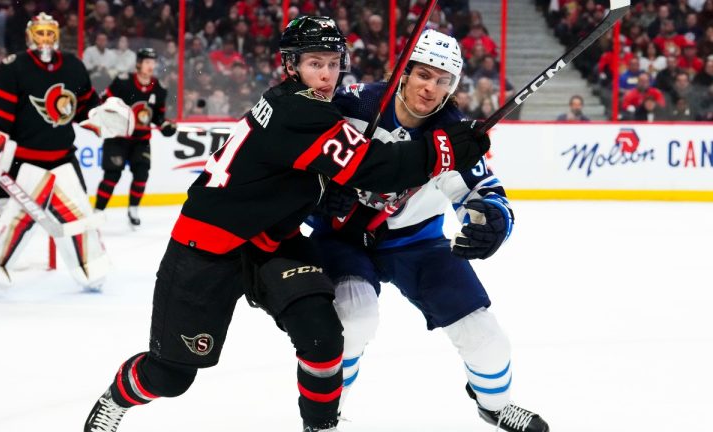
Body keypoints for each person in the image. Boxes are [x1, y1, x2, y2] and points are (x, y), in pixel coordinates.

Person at [82, 16, 490, 432]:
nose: (327, 75)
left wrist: (322, 191)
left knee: (324, 336)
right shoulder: (300, 110)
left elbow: (291, 169)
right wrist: (447, 148)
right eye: (315, 64)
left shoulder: (305, 104)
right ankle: (115, 400)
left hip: (274, 241)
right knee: (170, 375)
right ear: (291, 66)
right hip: (207, 247)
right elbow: (377, 168)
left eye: (334, 63)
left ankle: (320, 427)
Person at [308, 29, 549, 432]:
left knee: (486, 339)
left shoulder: (454, 132)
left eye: (443, 80)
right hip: (344, 237)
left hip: (415, 242)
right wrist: (320, 194)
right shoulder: (352, 103)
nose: (430, 87)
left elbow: (485, 194)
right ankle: (324, 417)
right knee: (353, 319)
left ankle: (495, 405)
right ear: (403, 72)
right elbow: (298, 155)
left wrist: (491, 222)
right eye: (423, 74)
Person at [0, 13, 133, 291]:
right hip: (25, 163)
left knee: (79, 218)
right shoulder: (13, 67)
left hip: (63, 159)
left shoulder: (73, 66)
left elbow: (84, 108)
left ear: (56, 35)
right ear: (30, 36)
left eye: (49, 33)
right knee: (13, 219)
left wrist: (103, 115)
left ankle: (90, 268)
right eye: (39, 33)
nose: (45, 39)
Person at [94, 47, 174, 228]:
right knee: (112, 176)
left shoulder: (159, 89)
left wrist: (165, 125)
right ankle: (97, 212)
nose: (150, 66)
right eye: (147, 62)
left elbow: (157, 116)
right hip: (118, 138)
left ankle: (133, 210)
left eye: (153, 63)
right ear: (138, 64)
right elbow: (103, 100)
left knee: (141, 174)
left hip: (141, 140)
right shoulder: (123, 83)